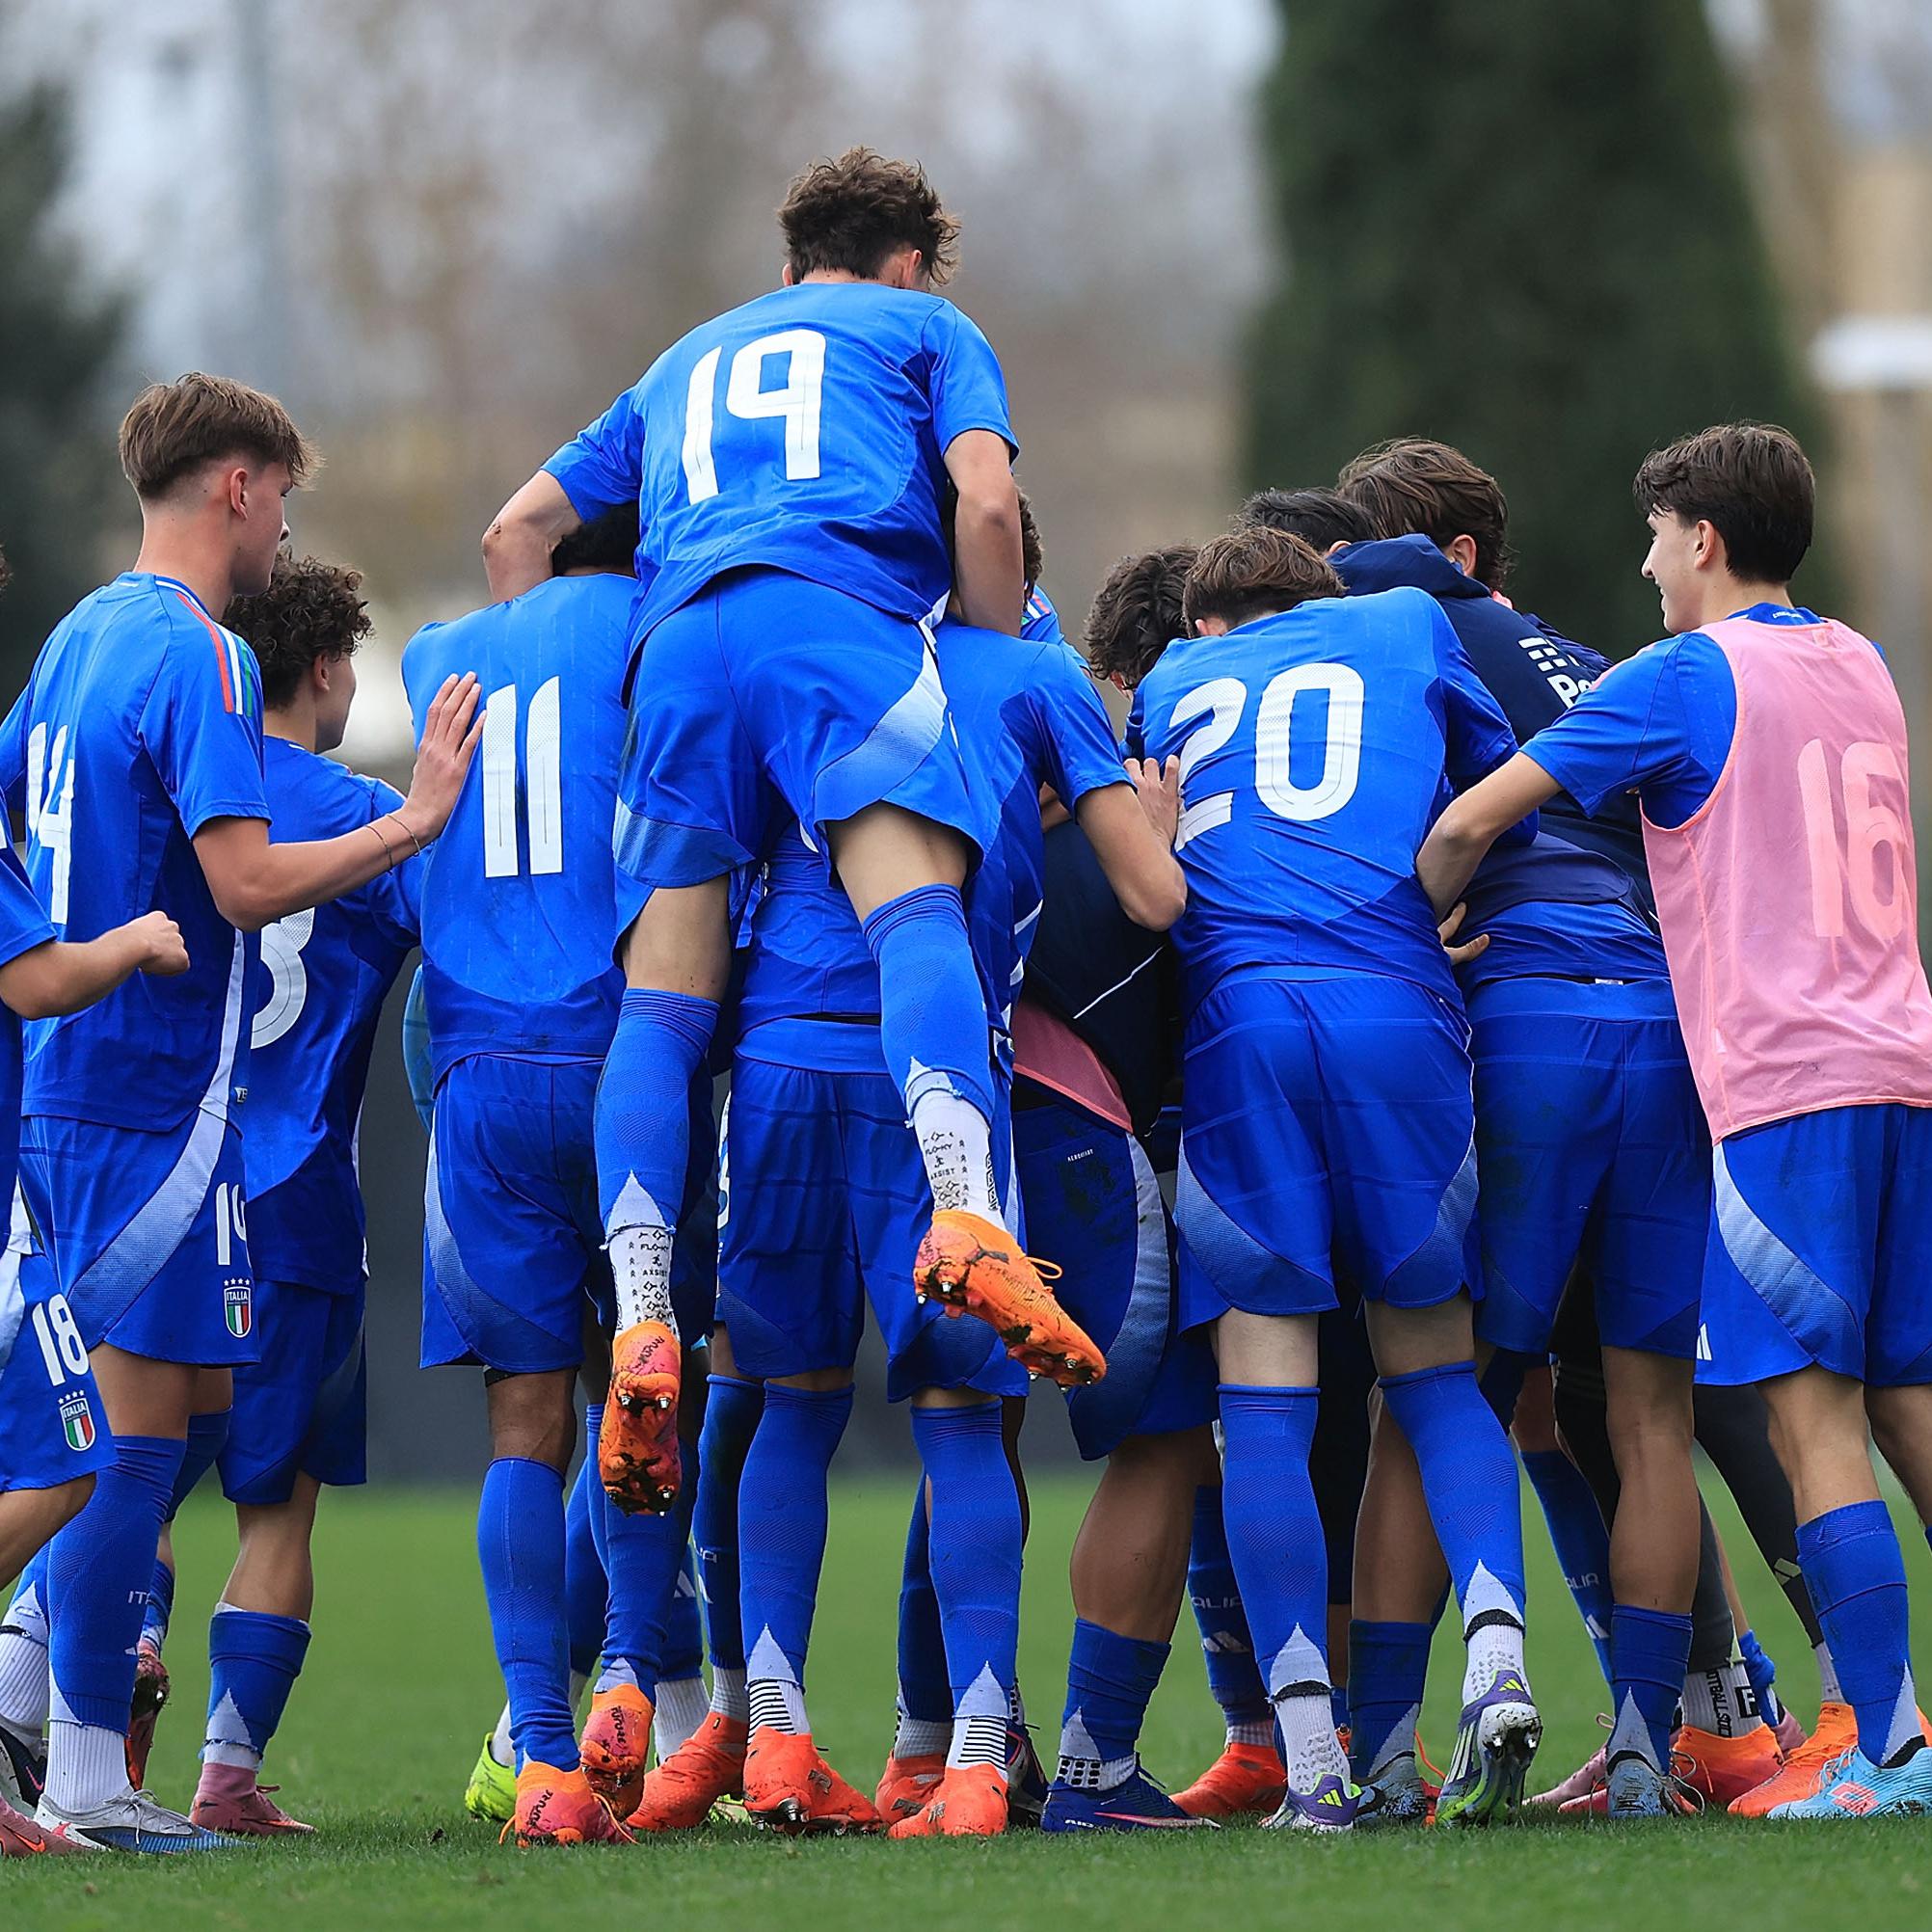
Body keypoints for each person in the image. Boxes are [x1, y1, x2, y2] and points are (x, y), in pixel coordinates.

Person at [480, 150, 1099, 1530]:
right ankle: (965, 1208)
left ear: (787, 266)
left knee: (665, 999)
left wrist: (572, 668)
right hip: (837, 625)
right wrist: (989, 666)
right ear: (906, 266)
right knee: (914, 914)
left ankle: (641, 1308)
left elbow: (518, 530)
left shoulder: (686, 355)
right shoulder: (929, 329)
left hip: (686, 643)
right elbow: (988, 507)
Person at [1418, 420, 1932, 1820]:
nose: (1645, 566)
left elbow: (1476, 820)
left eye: (1655, 537)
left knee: (1811, 1419)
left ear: (1703, 539)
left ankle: (1889, 1756)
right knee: (1911, 1403)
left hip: (1781, 1084)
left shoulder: (1685, 675)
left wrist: (1429, 901)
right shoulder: (1863, 662)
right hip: (1902, 1060)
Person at [0, 373, 477, 1854]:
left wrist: (63, 951)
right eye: (286, 494)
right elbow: (243, 883)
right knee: (117, 1444)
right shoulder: (200, 651)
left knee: (178, 1419)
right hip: (137, 1098)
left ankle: (67, 1743)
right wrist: (413, 816)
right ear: (239, 488)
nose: (286, 527)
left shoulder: (79, 632)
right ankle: (84, 1774)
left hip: (117, 1090)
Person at [665, 498, 1180, 1839]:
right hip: (940, 1083)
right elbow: (1150, 895)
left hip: (777, 1067)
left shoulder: (797, 661)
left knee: (785, 1408)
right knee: (960, 1427)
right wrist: (1136, 806)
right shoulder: (1035, 675)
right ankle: (968, 1761)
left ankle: (774, 1743)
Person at [1332, 438, 1713, 1818]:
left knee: (1437, 1397)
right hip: (1659, 1019)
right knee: (1650, 1412)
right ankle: (1649, 1754)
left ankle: (1379, 1755)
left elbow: (1437, 831)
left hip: (1523, 1014)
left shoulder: (1401, 613)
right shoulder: (1599, 661)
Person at [1138, 523, 1538, 1832]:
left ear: (1206, 630)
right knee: (1431, 1365)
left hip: (1242, 1027)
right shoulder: (1405, 626)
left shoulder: (1166, 689)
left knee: (1263, 1398)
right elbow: (1485, 794)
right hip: (1398, 1008)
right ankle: (1495, 1652)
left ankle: (1309, 1760)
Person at [405, 503, 709, 1846]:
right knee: (639, 1384)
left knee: (523, 1425)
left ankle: (536, 1753)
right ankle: (635, 1672)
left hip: (478, 1073)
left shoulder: (443, 653)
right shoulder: (657, 628)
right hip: (624, 1056)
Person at [165, 554, 420, 1836]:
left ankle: (89, 1731)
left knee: (129, 1475)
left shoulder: (178, 801)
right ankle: (226, 1778)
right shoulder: (371, 816)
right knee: (281, 1501)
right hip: (299, 1205)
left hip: (164, 1191)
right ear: (326, 670)